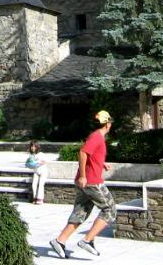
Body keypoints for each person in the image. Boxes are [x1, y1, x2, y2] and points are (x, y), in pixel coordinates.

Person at [49, 111, 115, 259]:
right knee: (110, 209)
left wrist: (101, 163)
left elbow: (91, 154)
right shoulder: (97, 137)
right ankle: (87, 240)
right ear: (108, 124)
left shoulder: (97, 136)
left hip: (86, 181)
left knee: (80, 213)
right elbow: (83, 152)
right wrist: (84, 176)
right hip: (91, 182)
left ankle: (59, 241)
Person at [25, 140, 48, 204]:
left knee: (41, 184)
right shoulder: (31, 155)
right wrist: (29, 164)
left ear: (37, 147)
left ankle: (40, 199)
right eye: (31, 146)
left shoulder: (41, 154)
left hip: (43, 172)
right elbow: (28, 164)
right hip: (36, 172)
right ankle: (35, 198)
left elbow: (45, 162)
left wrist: (37, 163)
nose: (33, 148)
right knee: (34, 184)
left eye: (34, 146)